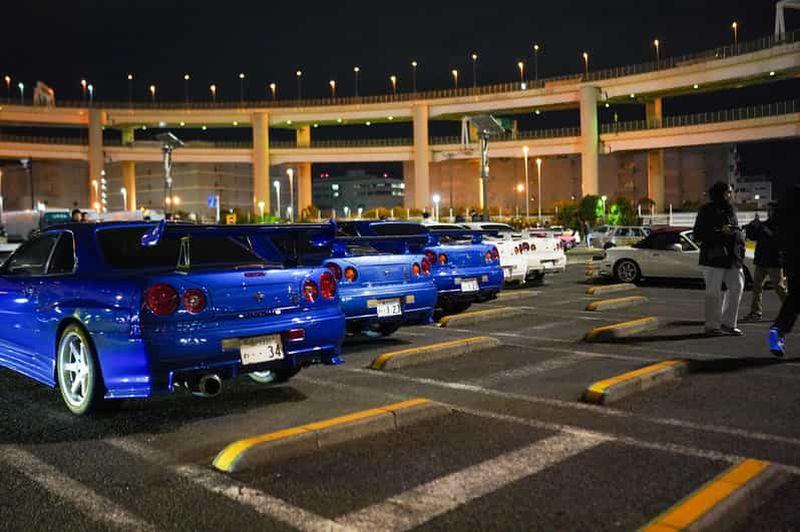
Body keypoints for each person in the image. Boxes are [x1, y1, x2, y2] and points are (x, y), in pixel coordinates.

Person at [692, 181, 745, 336]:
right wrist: (720, 231)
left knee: (737, 287)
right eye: (728, 192)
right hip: (714, 257)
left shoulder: (731, 209)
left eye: (731, 192)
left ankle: (728, 323)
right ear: (719, 193)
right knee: (713, 292)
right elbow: (698, 234)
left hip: (733, 257)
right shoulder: (706, 210)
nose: (731, 194)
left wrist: (738, 235)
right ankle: (712, 326)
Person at [769, 184, 800, 357]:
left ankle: (778, 328)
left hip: (792, 258)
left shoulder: (787, 200)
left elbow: (775, 227)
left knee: (795, 297)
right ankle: (779, 328)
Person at [742, 203, 787, 321]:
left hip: (774, 261)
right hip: (761, 260)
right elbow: (753, 237)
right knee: (756, 286)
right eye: (768, 210)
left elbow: (777, 239)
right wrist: (752, 226)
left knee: (779, 287)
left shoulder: (782, 225)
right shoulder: (764, 224)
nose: (768, 212)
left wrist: (763, 227)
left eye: (771, 210)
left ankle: (790, 309)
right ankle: (755, 311)